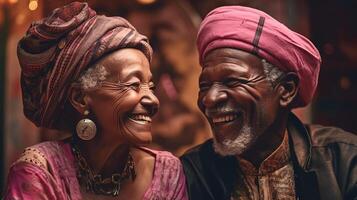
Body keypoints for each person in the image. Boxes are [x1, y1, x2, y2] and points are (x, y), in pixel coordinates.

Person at [4, 2, 187, 199]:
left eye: (150, 86)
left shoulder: (167, 174)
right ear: (80, 98)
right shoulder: (42, 173)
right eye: (133, 85)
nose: (153, 100)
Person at [180, 5, 357, 200]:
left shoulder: (343, 161)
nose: (210, 98)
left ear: (286, 90)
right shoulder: (193, 172)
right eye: (204, 85)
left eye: (232, 81)